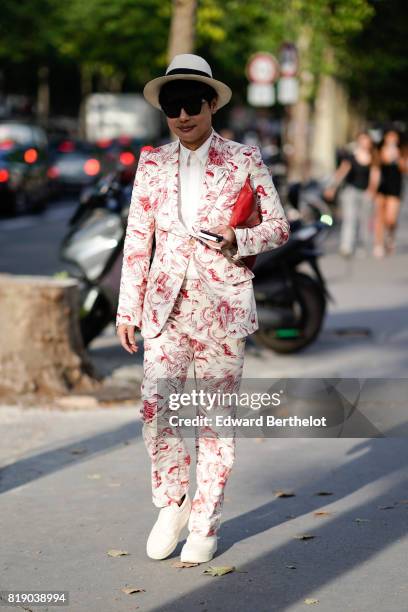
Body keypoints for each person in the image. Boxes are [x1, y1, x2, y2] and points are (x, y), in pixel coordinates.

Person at [116, 54, 290, 564]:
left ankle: (206, 522)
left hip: (222, 307)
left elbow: (278, 226)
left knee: (214, 420)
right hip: (164, 308)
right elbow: (137, 241)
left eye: (192, 103)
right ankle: (172, 502)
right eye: (173, 107)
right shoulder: (151, 162)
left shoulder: (245, 159)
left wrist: (241, 236)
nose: (183, 115)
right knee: (157, 410)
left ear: (212, 103)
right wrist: (129, 310)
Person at [324, 132, 376, 257]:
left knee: (364, 220)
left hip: (366, 192)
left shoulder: (374, 157)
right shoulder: (351, 157)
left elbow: (375, 175)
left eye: (366, 140)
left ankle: (361, 246)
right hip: (350, 191)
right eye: (362, 140)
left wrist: (372, 190)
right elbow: (341, 172)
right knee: (349, 219)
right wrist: (332, 187)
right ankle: (346, 247)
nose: (364, 143)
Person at [370, 129, 407, 258]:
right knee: (379, 217)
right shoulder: (379, 150)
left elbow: (405, 169)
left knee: (391, 219)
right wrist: (372, 188)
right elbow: (375, 169)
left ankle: (390, 235)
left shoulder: (402, 151)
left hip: (395, 187)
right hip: (382, 186)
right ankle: (378, 244)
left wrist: (398, 158)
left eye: (394, 137)